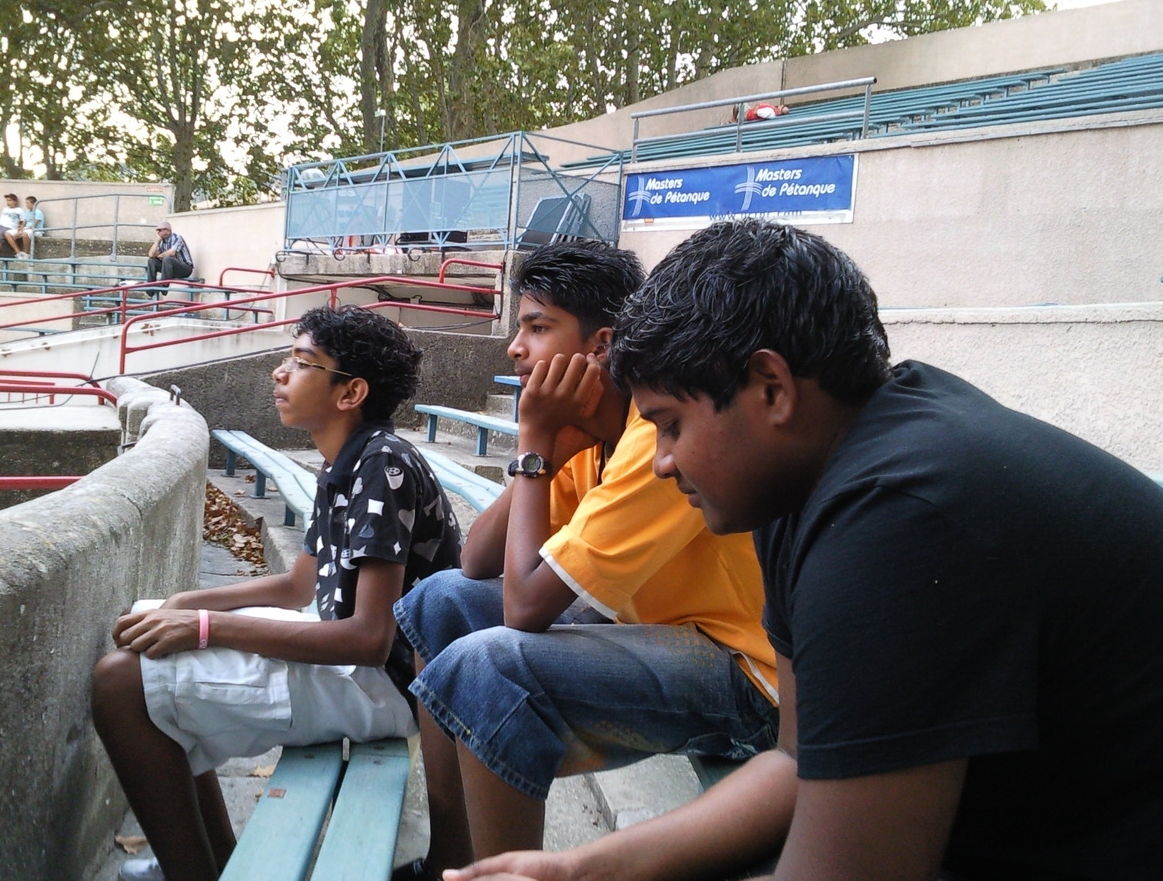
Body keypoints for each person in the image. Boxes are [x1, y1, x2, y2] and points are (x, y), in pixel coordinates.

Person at [450, 218, 1163, 881]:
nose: (662, 462)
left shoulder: (903, 511)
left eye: (669, 425)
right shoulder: (805, 486)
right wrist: (585, 871)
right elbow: (796, 759)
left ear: (771, 387)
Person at [393, 240, 778, 880]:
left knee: (491, 666)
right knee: (441, 601)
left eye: (538, 327)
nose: (515, 347)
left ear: (600, 346)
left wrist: (537, 439)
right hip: (660, 636)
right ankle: (451, 860)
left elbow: (523, 609)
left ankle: (503, 871)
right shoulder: (590, 438)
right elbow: (478, 564)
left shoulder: (653, 441)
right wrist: (541, 454)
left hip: (743, 676)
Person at [91, 305, 462, 881]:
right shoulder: (345, 461)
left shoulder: (382, 465)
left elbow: (368, 638)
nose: (279, 373)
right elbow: (298, 585)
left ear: (350, 392)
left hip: (386, 686)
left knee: (119, 682)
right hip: (356, 663)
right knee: (146, 625)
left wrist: (204, 628)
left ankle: (194, 868)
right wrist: (187, 604)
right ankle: (211, 859)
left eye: (301, 362)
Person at [147, 221, 194, 292]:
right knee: (151, 260)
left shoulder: (177, 237)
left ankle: (164, 286)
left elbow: (172, 252)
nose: (158, 233)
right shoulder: (161, 241)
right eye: (157, 231)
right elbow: (151, 254)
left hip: (185, 268)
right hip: (170, 269)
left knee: (167, 258)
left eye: (159, 230)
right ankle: (150, 286)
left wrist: (160, 255)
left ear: (167, 231)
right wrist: (157, 241)